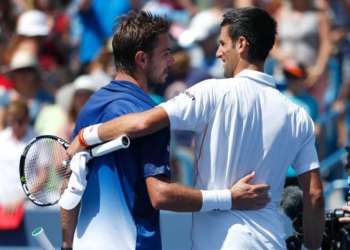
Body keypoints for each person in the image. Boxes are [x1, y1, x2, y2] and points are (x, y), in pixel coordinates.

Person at [68, 7, 325, 250]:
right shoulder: (300, 116)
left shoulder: (210, 92)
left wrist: (85, 136)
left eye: (223, 44)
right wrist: (311, 245)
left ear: (242, 44)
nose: (218, 52)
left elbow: (143, 122)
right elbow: (314, 194)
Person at [0, 100, 38, 245]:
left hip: (29, 210)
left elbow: (43, 176)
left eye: (19, 121)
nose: (15, 126)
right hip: (2, 209)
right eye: (12, 121)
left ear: (27, 119)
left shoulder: (37, 139)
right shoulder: (1, 139)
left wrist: (20, 200)